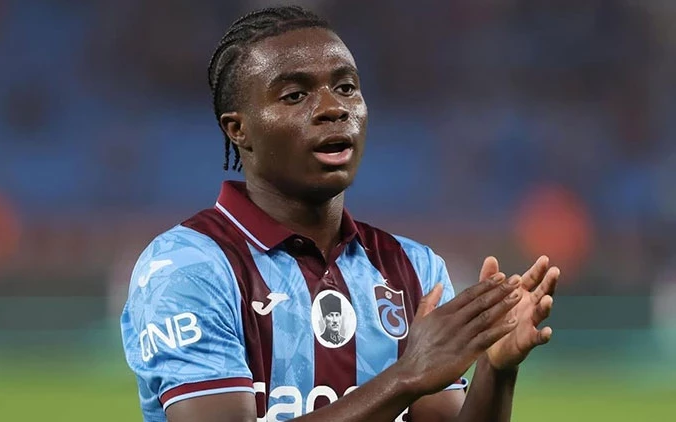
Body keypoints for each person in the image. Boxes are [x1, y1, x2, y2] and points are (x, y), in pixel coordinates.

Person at [121, 5, 559, 422]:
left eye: (347, 88)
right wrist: (406, 376)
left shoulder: (413, 269)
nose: (334, 108)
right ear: (239, 129)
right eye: (295, 95)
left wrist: (497, 370)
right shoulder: (189, 268)